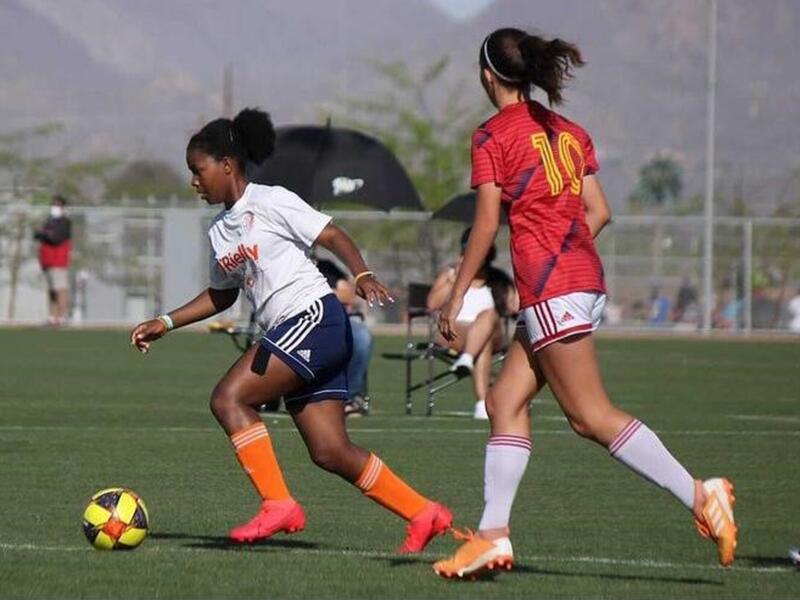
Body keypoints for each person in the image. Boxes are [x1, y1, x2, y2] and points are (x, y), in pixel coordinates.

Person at [432, 28, 736, 578]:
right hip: (582, 283)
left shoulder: (492, 136)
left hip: (556, 291)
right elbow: (599, 211)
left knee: (589, 416)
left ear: (486, 76)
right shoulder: (569, 131)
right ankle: (493, 536)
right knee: (505, 400)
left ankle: (700, 494)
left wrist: (454, 301)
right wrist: (564, 262)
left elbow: (483, 228)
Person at [130, 108, 451, 551]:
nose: (194, 181)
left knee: (229, 398)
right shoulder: (219, 230)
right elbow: (222, 296)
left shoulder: (270, 200)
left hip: (313, 318)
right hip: (298, 332)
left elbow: (333, 235)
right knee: (330, 452)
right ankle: (424, 512)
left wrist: (360, 275)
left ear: (227, 164)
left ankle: (278, 504)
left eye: (198, 170)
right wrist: (165, 322)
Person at [427, 227, 518, 419]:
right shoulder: (451, 275)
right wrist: (455, 280)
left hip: (492, 334)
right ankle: (481, 403)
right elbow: (432, 304)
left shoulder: (497, 279)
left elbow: (516, 307)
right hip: (454, 334)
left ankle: (467, 359)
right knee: (481, 344)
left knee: (489, 315)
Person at [315, 256, 373, 415]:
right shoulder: (287, 264)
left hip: (336, 320)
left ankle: (349, 397)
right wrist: (332, 293)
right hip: (302, 322)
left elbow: (349, 295)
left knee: (361, 337)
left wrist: (317, 292)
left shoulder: (326, 267)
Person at [33, 195, 72, 326]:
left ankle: (62, 317)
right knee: (51, 290)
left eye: (58, 205)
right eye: (53, 205)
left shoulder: (64, 222)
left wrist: (44, 234)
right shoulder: (49, 221)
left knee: (60, 289)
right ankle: (52, 317)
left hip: (58, 261)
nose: (55, 208)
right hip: (47, 261)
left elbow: (56, 238)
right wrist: (43, 233)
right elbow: (38, 235)